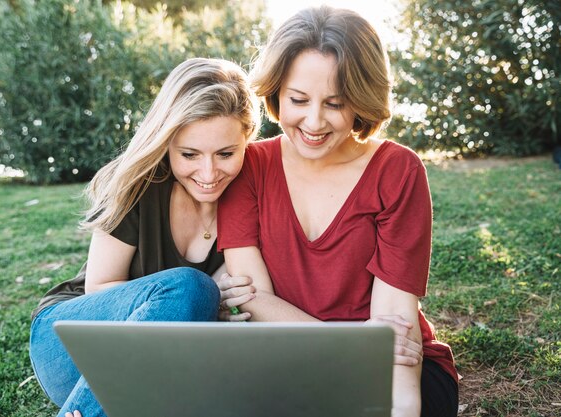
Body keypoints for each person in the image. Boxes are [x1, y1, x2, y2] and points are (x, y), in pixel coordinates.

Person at [217, 6, 459, 417]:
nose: (313, 122)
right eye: (298, 99)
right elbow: (255, 301)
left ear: (362, 100)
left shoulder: (397, 171)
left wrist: (398, 402)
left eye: (336, 102)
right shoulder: (249, 167)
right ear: (276, 92)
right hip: (287, 362)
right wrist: (352, 344)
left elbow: (395, 334)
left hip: (390, 372)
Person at [29, 57, 260, 417]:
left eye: (226, 154)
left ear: (248, 139)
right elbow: (100, 286)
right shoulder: (139, 185)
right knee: (190, 288)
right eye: (189, 154)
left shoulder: (253, 191)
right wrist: (204, 297)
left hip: (168, 362)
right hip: (73, 344)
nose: (209, 173)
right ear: (166, 142)